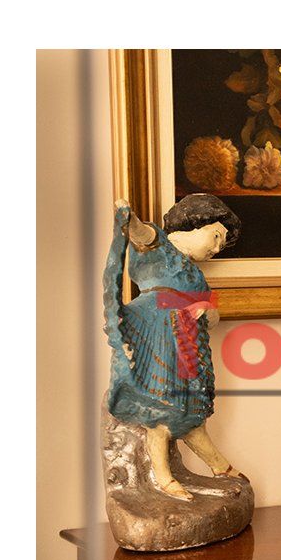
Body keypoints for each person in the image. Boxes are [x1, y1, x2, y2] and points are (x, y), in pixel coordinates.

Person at [103, 194, 245, 500]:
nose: (217, 248)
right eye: (215, 236)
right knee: (161, 410)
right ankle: (164, 477)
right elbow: (142, 234)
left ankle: (219, 466)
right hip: (158, 336)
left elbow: (211, 314)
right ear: (193, 224)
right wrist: (129, 218)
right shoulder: (162, 249)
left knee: (191, 409)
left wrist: (207, 310)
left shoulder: (196, 276)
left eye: (222, 244)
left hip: (187, 344)